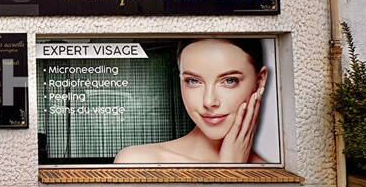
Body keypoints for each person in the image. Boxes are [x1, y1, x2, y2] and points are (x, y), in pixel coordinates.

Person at [114, 38, 269, 164]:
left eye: (229, 81)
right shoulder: (139, 162)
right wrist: (229, 170)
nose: (209, 102)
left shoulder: (270, 175)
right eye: (193, 81)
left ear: (260, 80)